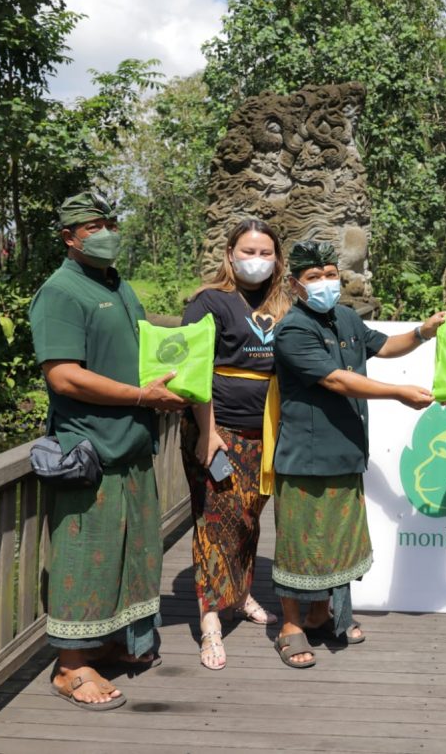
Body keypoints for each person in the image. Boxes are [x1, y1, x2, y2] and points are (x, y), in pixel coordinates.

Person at [30, 191, 189, 710]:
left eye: (108, 223)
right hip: (91, 449)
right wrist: (142, 396)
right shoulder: (60, 292)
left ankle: (115, 641)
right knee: (84, 556)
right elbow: (64, 375)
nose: (104, 233)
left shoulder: (117, 285)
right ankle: (71, 667)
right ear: (68, 237)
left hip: (132, 445)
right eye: (91, 226)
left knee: (133, 552)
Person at [269, 239, 446, 668]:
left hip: (346, 450)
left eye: (330, 274)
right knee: (300, 545)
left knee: (337, 542)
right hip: (307, 457)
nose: (325, 282)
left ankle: (321, 614)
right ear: (295, 284)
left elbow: (383, 346)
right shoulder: (292, 329)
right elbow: (335, 380)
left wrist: (422, 332)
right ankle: (290, 626)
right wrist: (398, 392)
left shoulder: (346, 317)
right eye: (313, 277)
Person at [180, 218, 292, 670]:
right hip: (219, 430)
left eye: (266, 253)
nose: (257, 260)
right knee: (215, 521)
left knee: (248, 518)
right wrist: (208, 433)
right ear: (230, 254)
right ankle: (209, 621)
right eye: (248, 251)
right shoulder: (208, 302)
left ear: (278, 259)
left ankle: (241, 593)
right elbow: (194, 370)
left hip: (267, 432)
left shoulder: (285, 302)